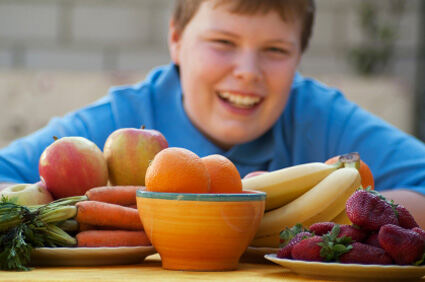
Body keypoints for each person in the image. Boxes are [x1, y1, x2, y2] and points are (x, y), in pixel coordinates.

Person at [1, 0, 425, 227]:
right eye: (222, 42)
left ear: (299, 56)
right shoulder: (122, 119)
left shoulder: (320, 115)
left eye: (275, 50)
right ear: (176, 39)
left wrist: (330, 207)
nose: (247, 71)